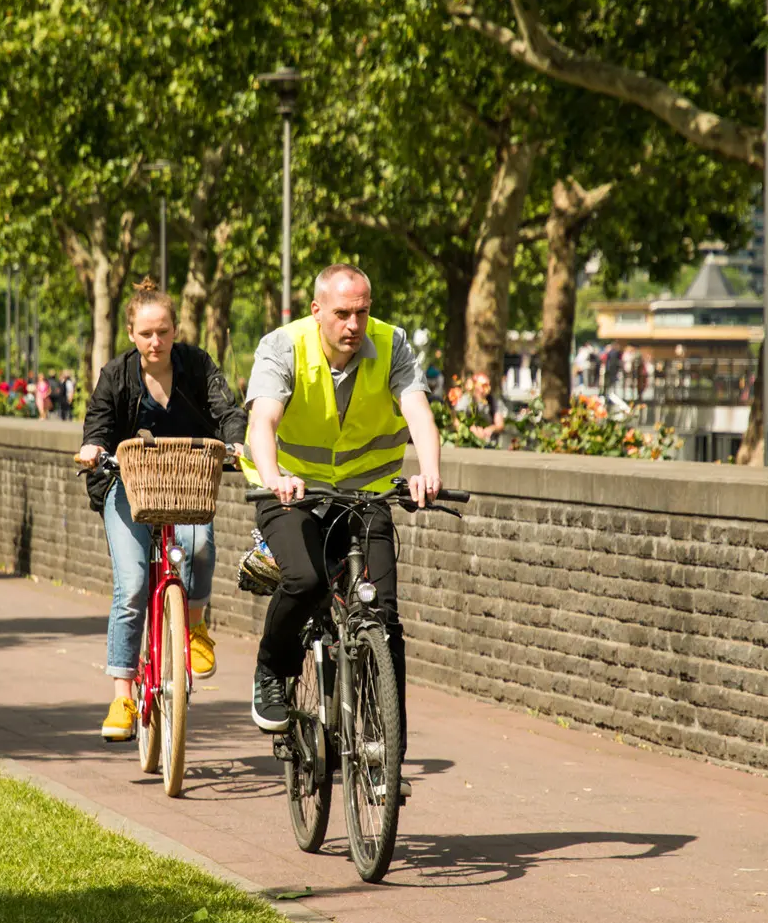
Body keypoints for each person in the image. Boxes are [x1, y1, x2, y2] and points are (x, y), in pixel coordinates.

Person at [240, 263, 441, 796]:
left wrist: (431, 470)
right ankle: (271, 671)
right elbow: (263, 420)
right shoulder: (283, 346)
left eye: (362, 311)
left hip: (365, 494)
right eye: (342, 313)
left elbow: (416, 408)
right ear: (316, 311)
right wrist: (275, 475)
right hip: (293, 493)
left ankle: (383, 748)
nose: (354, 323)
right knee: (304, 582)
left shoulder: (392, 344)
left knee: (385, 618)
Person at [76, 278, 247, 741]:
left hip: (185, 484)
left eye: (164, 332)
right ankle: (122, 695)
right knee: (131, 585)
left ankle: (193, 629)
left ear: (176, 331)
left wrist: (236, 440)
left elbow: (226, 408)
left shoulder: (196, 366)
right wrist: (94, 448)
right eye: (147, 333)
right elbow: (99, 423)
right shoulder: (116, 375)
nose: (156, 342)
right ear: (131, 333)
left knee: (201, 544)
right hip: (126, 487)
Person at [456, 371, 506, 446]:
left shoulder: (493, 401)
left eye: (486, 386)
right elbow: (456, 420)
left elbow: (500, 424)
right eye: (482, 386)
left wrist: (491, 429)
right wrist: (470, 429)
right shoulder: (466, 399)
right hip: (468, 441)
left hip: (490, 442)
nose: (484, 390)